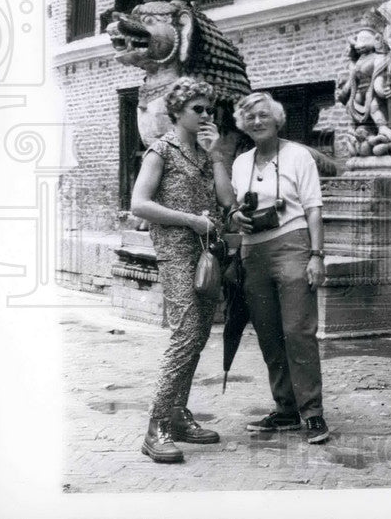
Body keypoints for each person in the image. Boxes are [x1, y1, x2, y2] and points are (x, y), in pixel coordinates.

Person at [131, 77, 235, 463]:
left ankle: (177, 415)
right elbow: (139, 204)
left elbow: (226, 200)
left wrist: (217, 154)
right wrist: (190, 220)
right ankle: (156, 426)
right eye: (198, 109)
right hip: (176, 252)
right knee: (186, 333)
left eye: (210, 109)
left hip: (208, 253)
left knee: (200, 332)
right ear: (177, 112)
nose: (207, 115)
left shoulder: (206, 152)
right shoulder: (161, 150)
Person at [228, 92, 330, 444]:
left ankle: (313, 413)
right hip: (253, 252)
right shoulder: (240, 162)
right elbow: (234, 207)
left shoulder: (298, 155)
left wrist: (316, 255)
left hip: (292, 244)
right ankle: (286, 409)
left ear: (277, 118)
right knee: (269, 334)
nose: (257, 121)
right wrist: (235, 216)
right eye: (250, 117)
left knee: (298, 330)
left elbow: (314, 207)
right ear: (243, 124)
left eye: (263, 115)